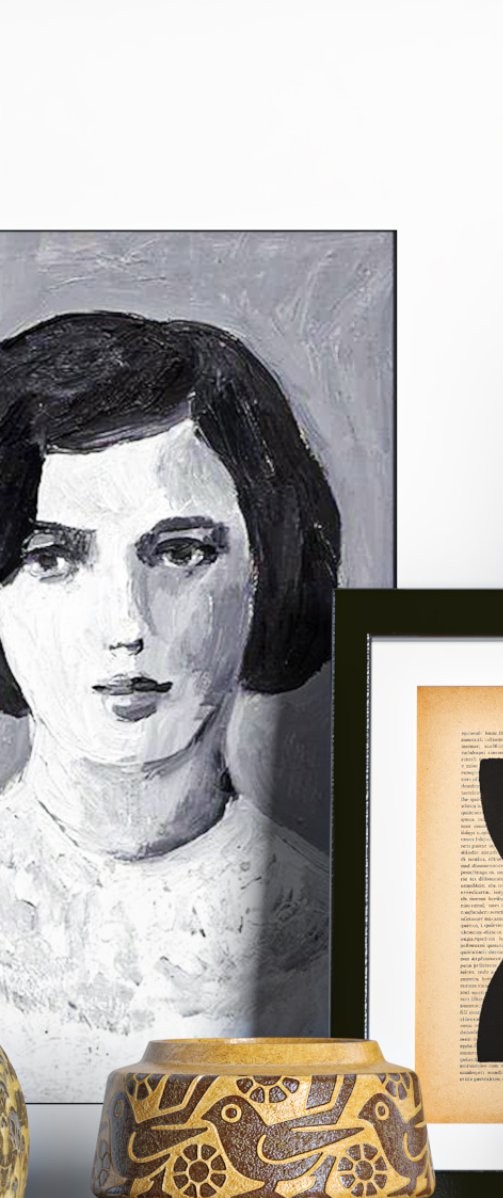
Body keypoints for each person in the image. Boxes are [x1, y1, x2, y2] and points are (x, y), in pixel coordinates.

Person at [0, 312, 338, 1102]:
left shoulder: (341, 931)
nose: (126, 625)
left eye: (181, 553)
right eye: (51, 557)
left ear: (267, 573)